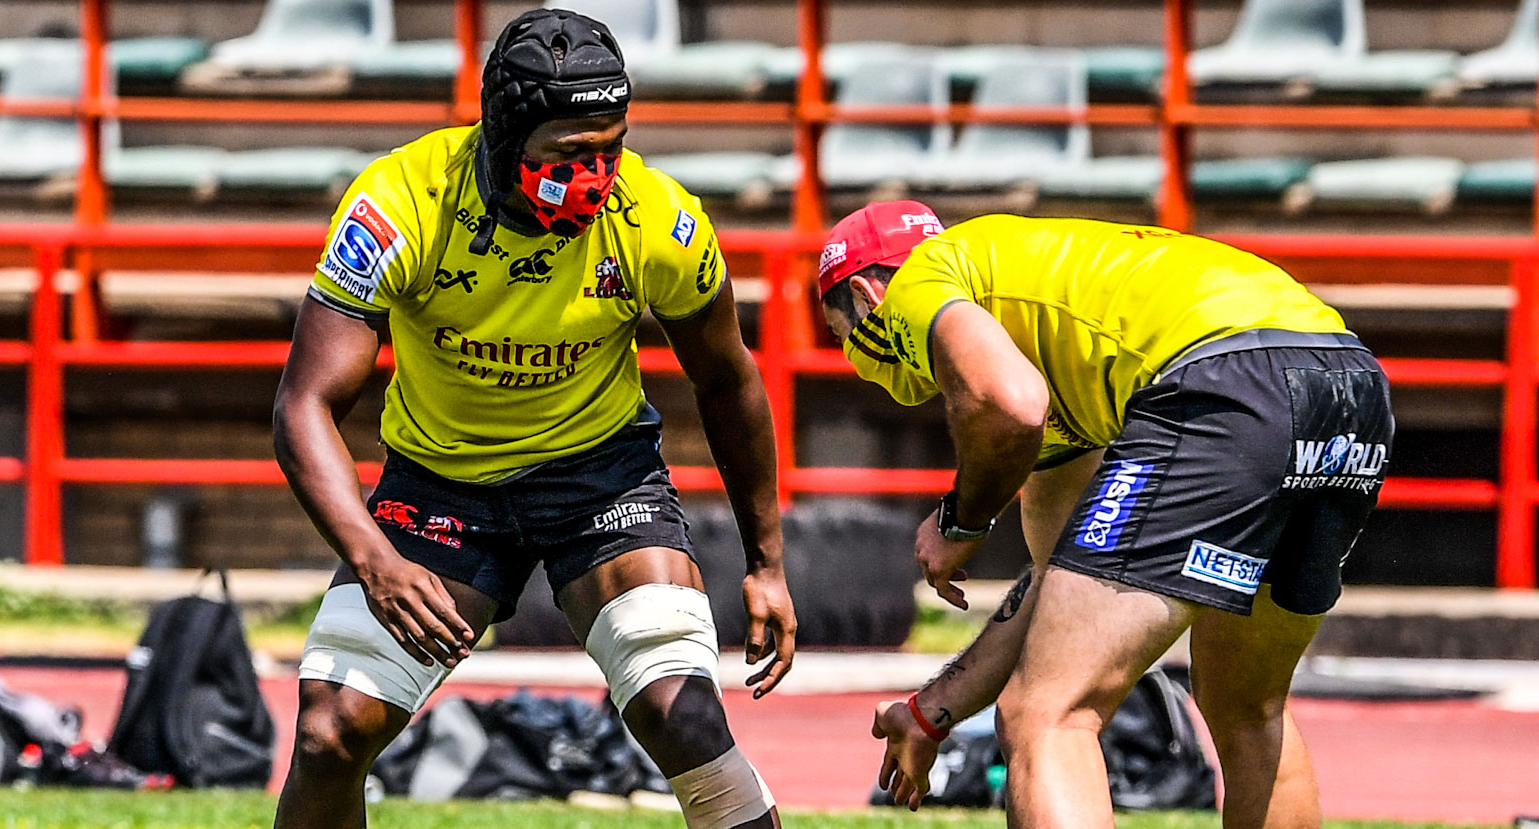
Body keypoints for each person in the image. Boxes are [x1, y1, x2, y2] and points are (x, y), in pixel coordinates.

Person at [272, 11, 796, 829]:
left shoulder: (659, 219)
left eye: (610, 147)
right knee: (330, 732)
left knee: (681, 713)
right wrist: (375, 560)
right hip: (441, 485)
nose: (594, 175)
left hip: (600, 478)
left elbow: (727, 380)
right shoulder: (398, 204)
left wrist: (767, 559)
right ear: (502, 136)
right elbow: (303, 403)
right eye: (566, 156)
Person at [821, 201, 1393, 827]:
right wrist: (933, 710)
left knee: (1048, 716)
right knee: (1247, 706)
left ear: (865, 295)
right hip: (1347, 383)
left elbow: (1008, 405)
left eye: (840, 334)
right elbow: (1054, 588)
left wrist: (962, 522)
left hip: (1224, 383)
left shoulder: (920, 280)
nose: (852, 355)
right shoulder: (1053, 329)